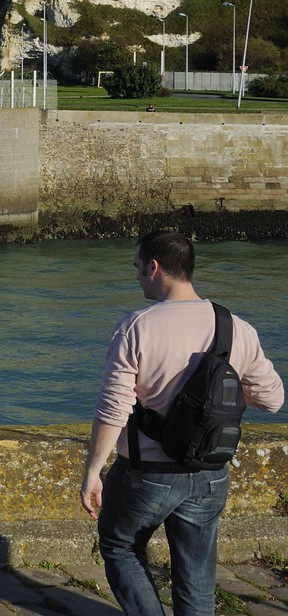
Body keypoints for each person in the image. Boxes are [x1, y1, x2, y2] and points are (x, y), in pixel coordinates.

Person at [79, 230, 283, 616]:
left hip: (147, 472)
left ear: (155, 268)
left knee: (119, 544)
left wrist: (93, 470)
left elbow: (114, 406)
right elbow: (272, 400)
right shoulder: (236, 327)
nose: (137, 275)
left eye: (138, 268)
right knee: (196, 572)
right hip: (211, 472)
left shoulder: (137, 326)